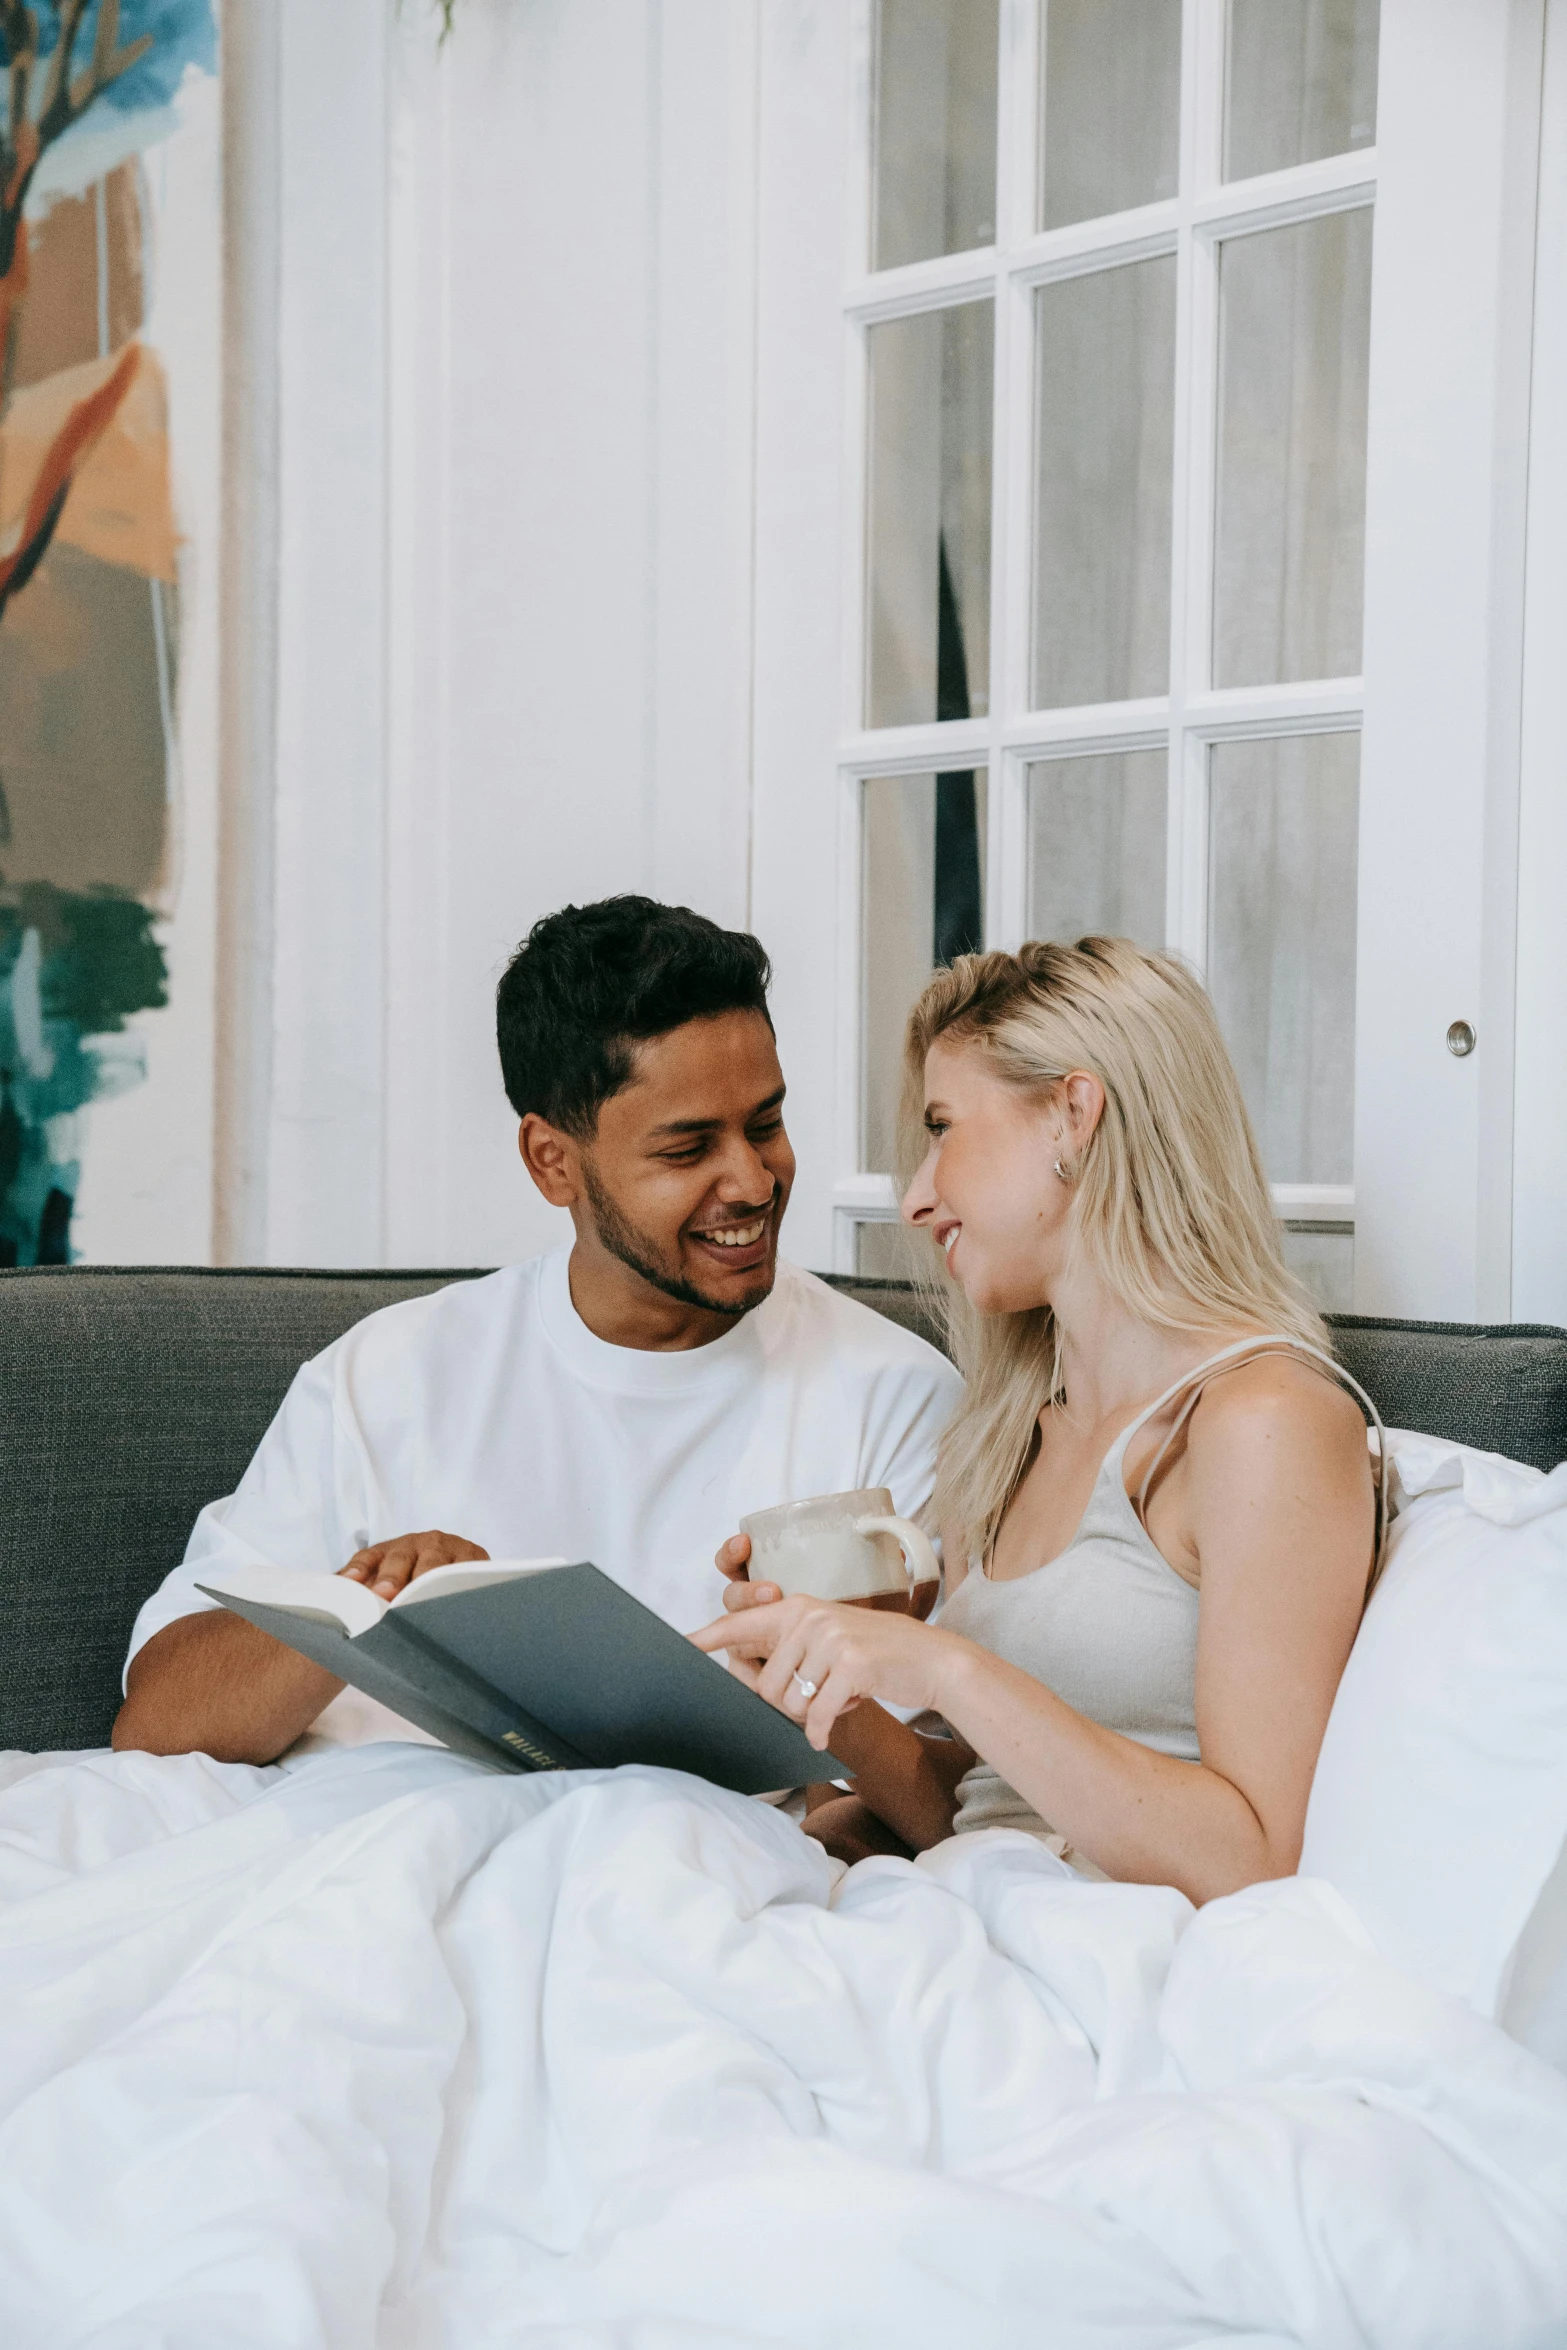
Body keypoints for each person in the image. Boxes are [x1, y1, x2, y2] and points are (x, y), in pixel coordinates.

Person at [114, 897, 960, 1766]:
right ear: (552, 1161)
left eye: (766, 1125)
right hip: (388, 1843)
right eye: (685, 1149)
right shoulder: (385, 1376)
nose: (750, 1180)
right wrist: (369, 1604)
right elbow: (159, 1728)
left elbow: (937, 1777)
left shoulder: (894, 1393)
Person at [698, 938, 1381, 1904]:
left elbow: (1256, 1856)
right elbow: (980, 1812)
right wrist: (824, 1680)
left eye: (943, 1129)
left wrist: (946, 1666)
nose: (917, 1194)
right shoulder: (1011, 1435)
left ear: (1071, 1113)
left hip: (1120, 1962)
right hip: (974, 1914)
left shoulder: (1260, 1419)